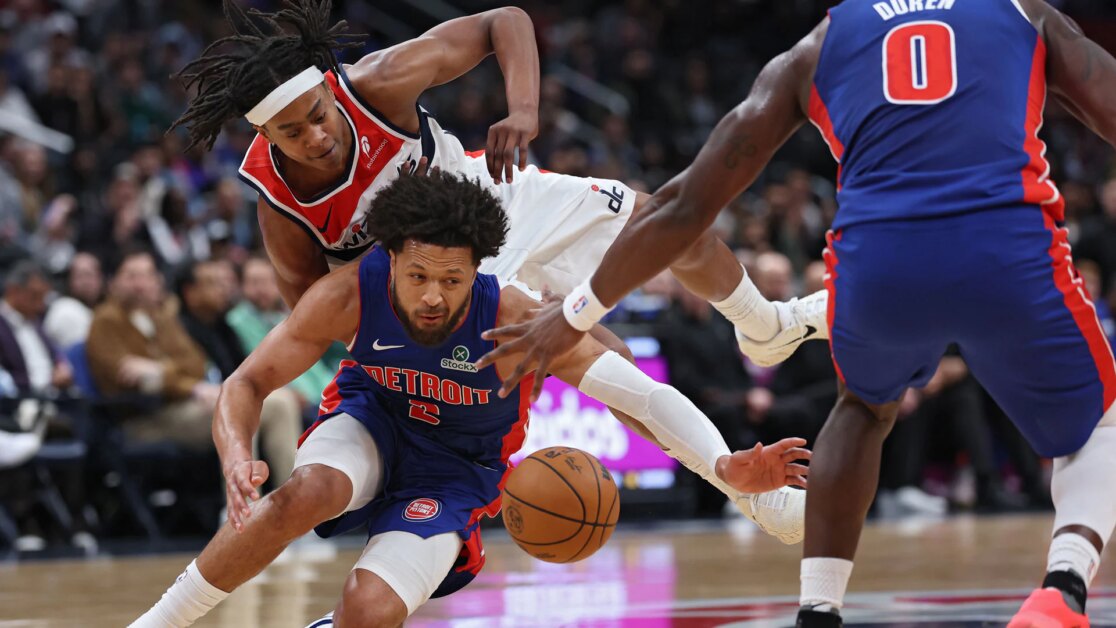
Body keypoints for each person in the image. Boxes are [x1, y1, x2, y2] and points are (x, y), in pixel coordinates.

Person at [479, 0, 1116, 625]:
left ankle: (817, 611)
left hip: (879, 261)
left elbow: (683, 208)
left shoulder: (823, 42)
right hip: (1006, 247)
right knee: (1101, 425)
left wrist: (576, 313)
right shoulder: (1024, 14)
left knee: (861, 410)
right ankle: (1062, 586)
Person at [129, 172, 810, 628]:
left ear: (478, 269)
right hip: (372, 421)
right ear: (392, 258)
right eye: (417, 275)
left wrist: (725, 469)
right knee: (305, 492)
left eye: (451, 280)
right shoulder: (350, 293)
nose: (432, 295)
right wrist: (235, 455)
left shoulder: (515, 319)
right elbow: (245, 383)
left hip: (457, 471)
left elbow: (645, 399)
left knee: (369, 610)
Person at [169, 0, 822, 361]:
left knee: (672, 225)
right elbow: (311, 315)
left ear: (331, 91)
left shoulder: (378, 82)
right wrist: (404, 349)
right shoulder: (280, 204)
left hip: (488, 192)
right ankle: (734, 478)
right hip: (429, 279)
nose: (314, 137)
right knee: (602, 356)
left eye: (318, 116)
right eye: (292, 133)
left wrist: (524, 111)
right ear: (265, 137)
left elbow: (503, 21)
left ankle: (763, 324)